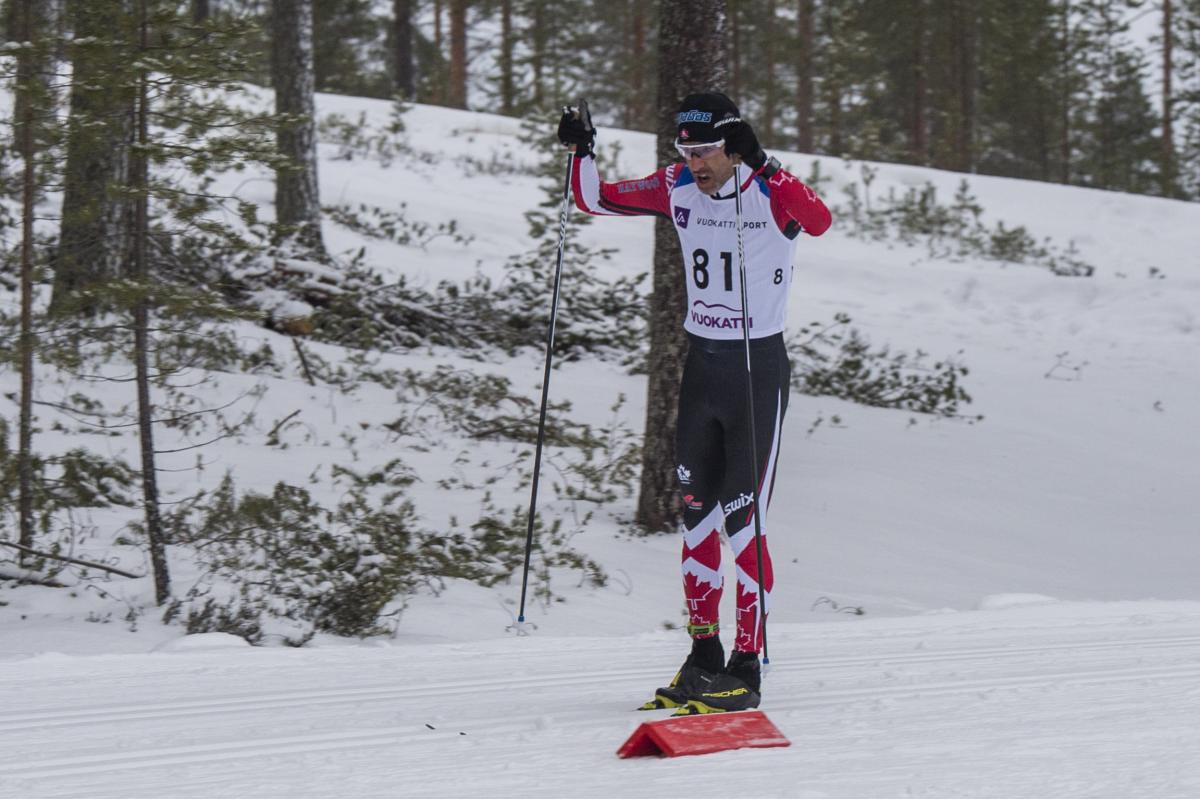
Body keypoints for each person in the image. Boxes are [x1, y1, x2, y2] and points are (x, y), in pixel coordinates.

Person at [557, 92, 831, 713]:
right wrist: (583, 150)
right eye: (685, 150)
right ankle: (703, 655)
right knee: (697, 521)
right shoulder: (677, 184)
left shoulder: (770, 191)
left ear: (734, 147)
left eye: (705, 150)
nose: (694, 163)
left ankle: (747, 667)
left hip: (756, 372)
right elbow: (595, 199)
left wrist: (764, 164)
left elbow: (818, 221)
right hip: (702, 370)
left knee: (743, 520)